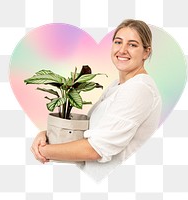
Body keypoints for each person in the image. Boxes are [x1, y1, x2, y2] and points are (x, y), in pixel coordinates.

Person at [31, 19, 162, 181]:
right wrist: (46, 135)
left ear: (146, 52)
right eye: (118, 42)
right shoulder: (119, 85)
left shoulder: (139, 89)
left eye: (132, 45)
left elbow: (96, 149)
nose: (122, 50)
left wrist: (44, 150)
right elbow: (91, 132)